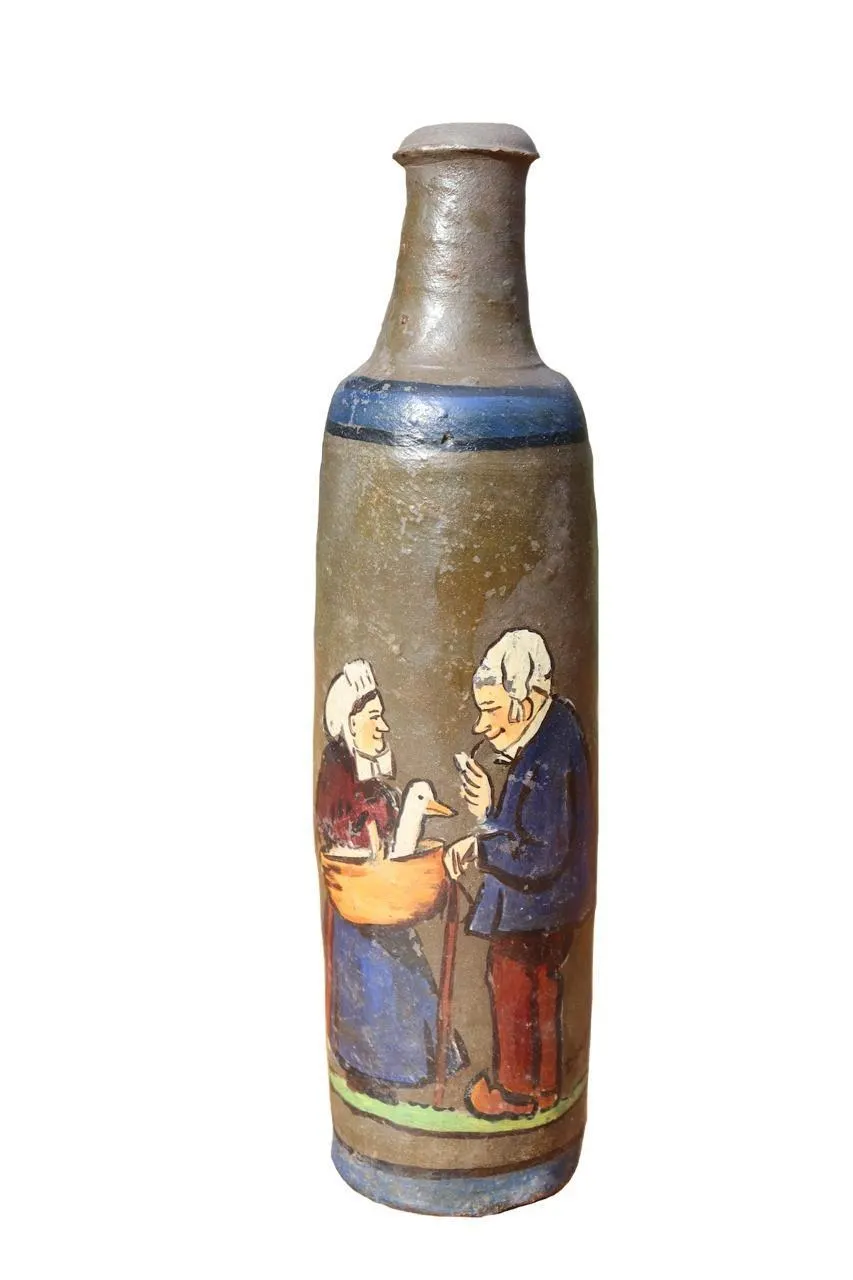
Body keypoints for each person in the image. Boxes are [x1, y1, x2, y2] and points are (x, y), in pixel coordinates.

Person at [445, 630, 593, 1119]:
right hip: (549, 904)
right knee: (537, 990)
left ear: (526, 704)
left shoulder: (549, 750)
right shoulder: (553, 731)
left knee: (516, 989)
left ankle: (515, 1093)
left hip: (536, 906)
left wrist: (480, 840)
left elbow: (540, 854)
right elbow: (531, 830)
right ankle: (542, 1092)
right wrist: (489, 812)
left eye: (491, 709)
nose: (482, 724)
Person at [316, 660, 466, 1103]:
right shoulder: (338, 778)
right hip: (360, 903)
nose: (383, 726)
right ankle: (372, 1071)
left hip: (385, 898)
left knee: (407, 971)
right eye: (374, 716)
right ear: (350, 723)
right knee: (374, 982)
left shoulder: (374, 783)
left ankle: (423, 1063)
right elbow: (344, 833)